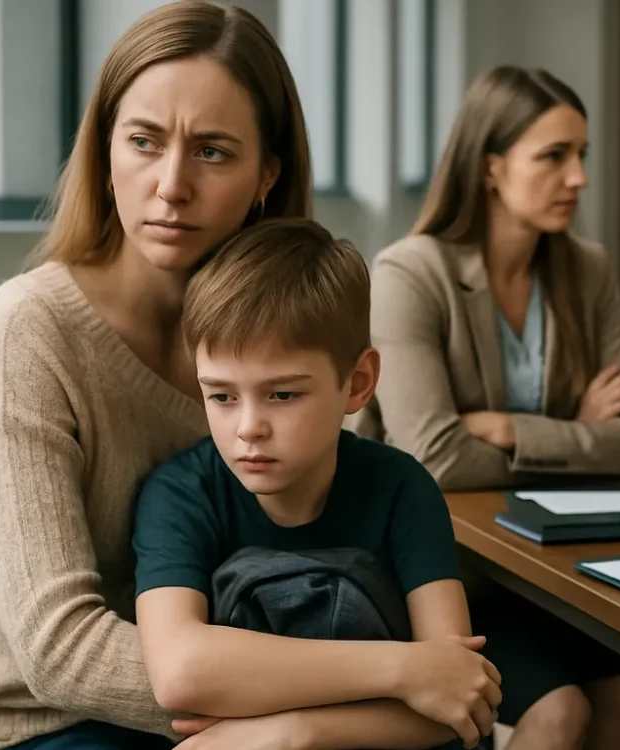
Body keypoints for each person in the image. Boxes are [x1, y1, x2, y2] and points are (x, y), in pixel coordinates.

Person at [0, 2, 318, 748]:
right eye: (143, 141)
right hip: (51, 725)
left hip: (218, 696)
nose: (171, 185)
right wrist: (306, 714)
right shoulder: (25, 332)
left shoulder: (276, 339)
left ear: (268, 173)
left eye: (212, 151)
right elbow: (59, 653)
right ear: (105, 153)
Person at [349, 65, 620, 750]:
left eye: (581, 156)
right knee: (561, 712)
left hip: (549, 566)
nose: (578, 177)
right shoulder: (410, 274)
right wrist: (580, 433)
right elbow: (435, 459)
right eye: (555, 156)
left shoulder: (587, 268)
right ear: (491, 167)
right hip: (441, 576)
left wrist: (513, 429)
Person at [131, 218, 502, 750]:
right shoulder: (181, 493)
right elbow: (180, 671)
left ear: (357, 383)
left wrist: (291, 731)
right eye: (222, 396)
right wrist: (404, 671)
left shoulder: (403, 488)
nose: (248, 427)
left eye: (282, 395)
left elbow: (459, 697)